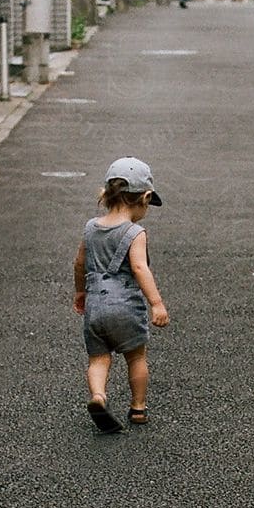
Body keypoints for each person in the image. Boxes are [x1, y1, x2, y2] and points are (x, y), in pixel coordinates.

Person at [73, 157, 170, 433]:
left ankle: (98, 396)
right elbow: (139, 268)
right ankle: (138, 408)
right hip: (125, 306)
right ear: (145, 197)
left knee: (98, 358)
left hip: (95, 305)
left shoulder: (91, 227)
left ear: (106, 194)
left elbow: (78, 263)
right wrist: (156, 303)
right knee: (136, 356)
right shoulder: (134, 232)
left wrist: (80, 292)